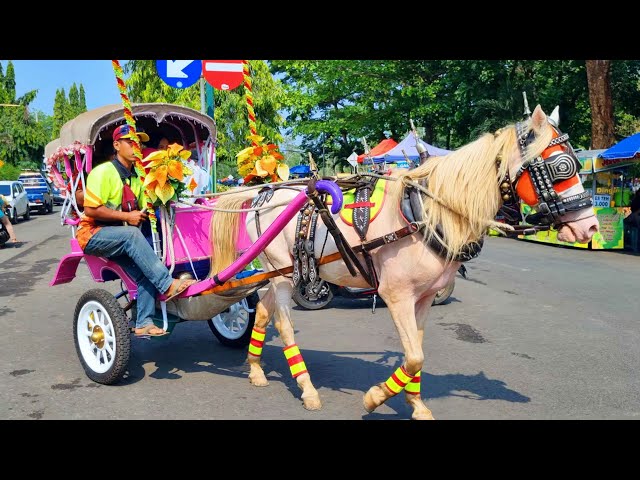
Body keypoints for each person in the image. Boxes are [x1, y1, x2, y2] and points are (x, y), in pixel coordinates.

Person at [76, 124, 196, 337]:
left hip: (121, 237)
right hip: (93, 234)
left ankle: (143, 323)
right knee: (133, 235)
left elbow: (145, 206)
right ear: (116, 145)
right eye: (130, 142)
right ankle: (167, 285)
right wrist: (127, 217)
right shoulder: (103, 172)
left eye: (139, 143)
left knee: (145, 272)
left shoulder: (138, 177)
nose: (136, 147)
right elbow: (91, 209)